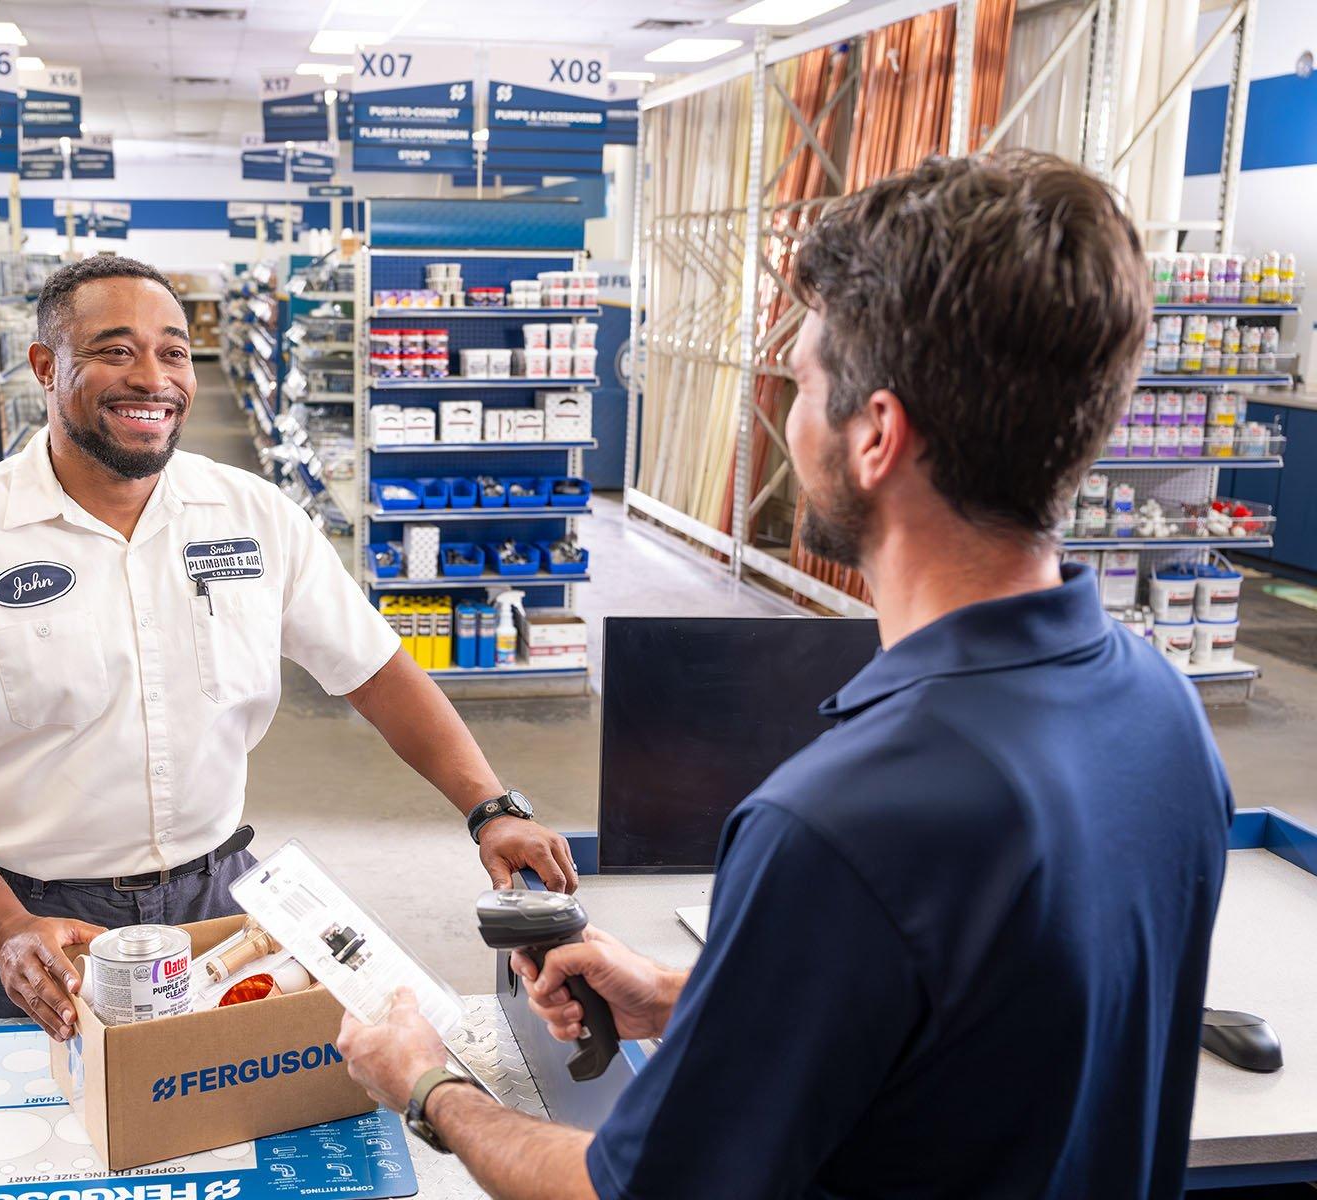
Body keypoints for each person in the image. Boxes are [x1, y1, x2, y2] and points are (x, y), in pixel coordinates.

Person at [338, 152, 1233, 1199]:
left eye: (801, 382)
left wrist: (430, 1085)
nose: (788, 410)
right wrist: (698, 998)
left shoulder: (845, 822)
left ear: (876, 436)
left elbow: (632, 1192)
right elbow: (985, 1031)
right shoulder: (1158, 709)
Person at [0, 254, 576, 1035]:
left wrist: (491, 810)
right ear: (46, 368)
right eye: (114, 350)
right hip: (38, 923)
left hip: (220, 906)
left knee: (219, 1129)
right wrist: (1, 927)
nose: (152, 378)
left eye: (174, 351)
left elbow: (377, 671)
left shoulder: (252, 515)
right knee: (38, 1147)